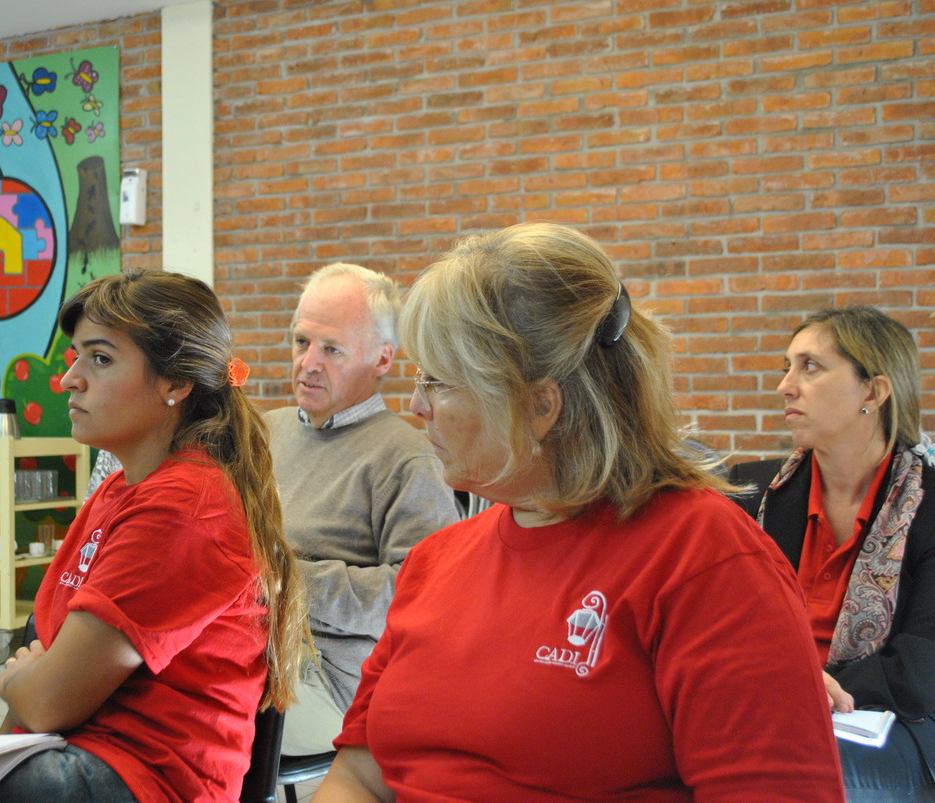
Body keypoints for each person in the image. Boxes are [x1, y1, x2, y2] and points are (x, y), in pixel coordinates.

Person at [317, 222, 844, 801]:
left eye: (437, 381)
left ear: (538, 406)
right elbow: (358, 777)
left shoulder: (704, 558)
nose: (417, 405)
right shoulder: (435, 561)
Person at [0, 270, 308, 802]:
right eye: (75, 357)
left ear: (175, 384)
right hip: (79, 752)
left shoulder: (186, 506)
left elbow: (46, 702)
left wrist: (19, 682)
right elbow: (41, 698)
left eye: (100, 358)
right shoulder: (118, 490)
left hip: (145, 781)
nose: (70, 380)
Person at [729, 306, 935, 799]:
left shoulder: (928, 505)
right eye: (787, 367)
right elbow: (719, 619)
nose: (785, 386)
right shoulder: (749, 491)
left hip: (889, 719)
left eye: (811, 367)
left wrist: (808, 684)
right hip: (763, 705)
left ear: (873, 392)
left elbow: (923, 664)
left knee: (781, 775)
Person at [266, 262, 460, 755]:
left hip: (326, 680)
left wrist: (280, 580)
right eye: (301, 342)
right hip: (243, 646)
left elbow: (421, 599)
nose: (309, 363)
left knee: (170, 705)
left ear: (382, 359)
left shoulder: (408, 460)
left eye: (332, 349)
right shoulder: (264, 432)